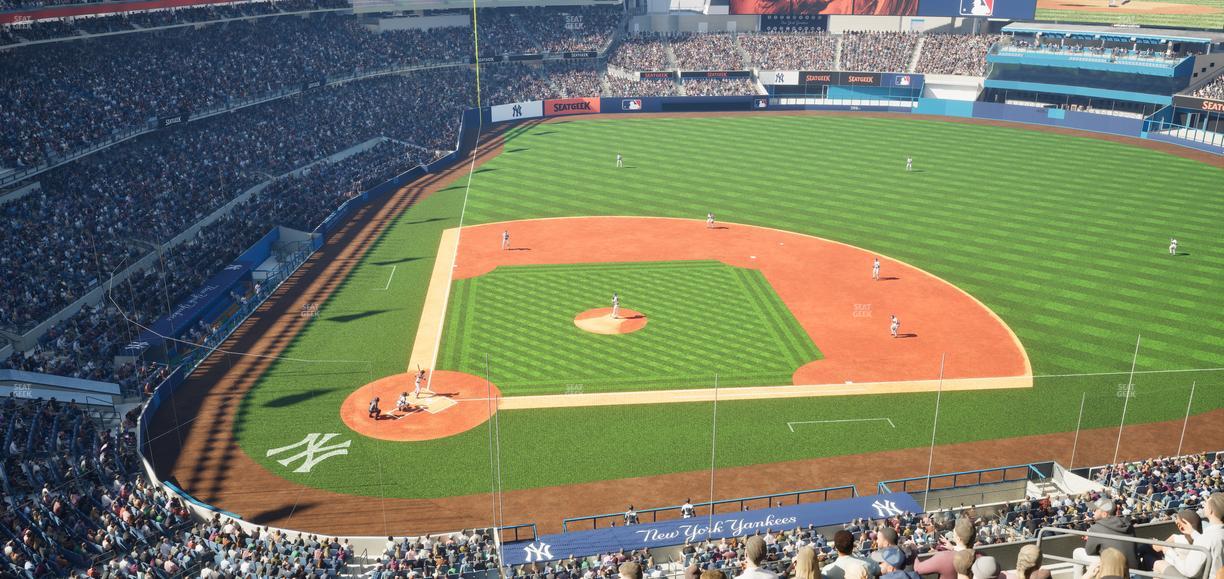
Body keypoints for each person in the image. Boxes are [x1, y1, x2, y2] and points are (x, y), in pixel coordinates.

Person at [1074, 498, 1138, 569]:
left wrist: (1093, 540)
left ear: (1104, 514)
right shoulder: (1128, 524)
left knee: (1077, 552)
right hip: (1132, 569)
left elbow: (1089, 552)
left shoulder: (1096, 528)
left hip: (1113, 571)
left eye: (1095, 510)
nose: (1093, 511)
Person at [1154, 509, 1209, 579]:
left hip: (1181, 572)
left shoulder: (1175, 538)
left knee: (1156, 563)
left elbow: (1157, 548)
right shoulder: (1205, 539)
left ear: (1181, 527)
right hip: (1200, 575)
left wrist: (1153, 542)